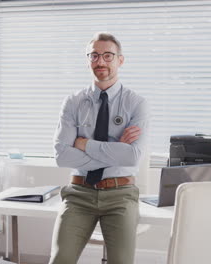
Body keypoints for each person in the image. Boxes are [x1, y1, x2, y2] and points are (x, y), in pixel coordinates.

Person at [50, 32, 149, 264]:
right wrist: (116, 150)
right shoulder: (73, 102)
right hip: (79, 194)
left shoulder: (136, 103)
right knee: (59, 260)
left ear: (120, 60)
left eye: (107, 55)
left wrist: (84, 144)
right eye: (94, 56)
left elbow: (132, 157)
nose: (101, 62)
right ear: (88, 60)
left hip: (120, 195)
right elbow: (62, 156)